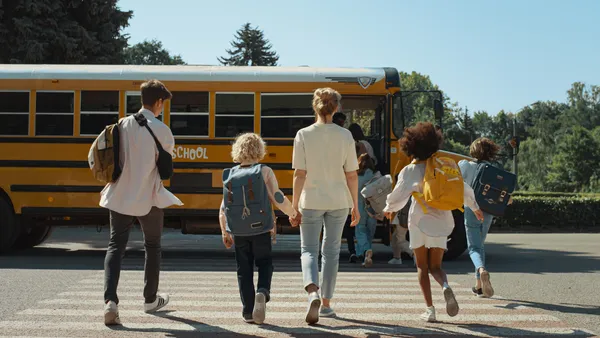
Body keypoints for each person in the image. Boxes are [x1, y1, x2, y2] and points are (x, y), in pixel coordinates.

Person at [383, 122, 483, 323]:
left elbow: (398, 196)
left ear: (410, 146)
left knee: (421, 267)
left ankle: (430, 310)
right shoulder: (443, 165)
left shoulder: (410, 170)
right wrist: (475, 208)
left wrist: (388, 209)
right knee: (436, 267)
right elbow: (462, 189)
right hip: (443, 221)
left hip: (419, 220)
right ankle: (445, 286)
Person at [101, 79, 183, 325]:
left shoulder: (121, 125)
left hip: (120, 195)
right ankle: (150, 299)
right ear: (158, 102)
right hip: (149, 197)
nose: (162, 109)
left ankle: (110, 303)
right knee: (152, 246)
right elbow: (166, 168)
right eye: (162, 105)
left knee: (116, 246)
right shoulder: (162, 130)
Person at [291, 87, 360, 324]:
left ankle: (313, 293)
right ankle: (327, 304)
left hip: (310, 200)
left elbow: (299, 173)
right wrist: (355, 206)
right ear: (336, 107)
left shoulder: (303, 134)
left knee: (308, 249)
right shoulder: (345, 136)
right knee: (331, 252)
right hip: (339, 200)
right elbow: (351, 174)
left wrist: (293, 206)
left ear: (315, 105)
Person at [219, 133, 297, 324]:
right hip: (261, 228)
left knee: (243, 270)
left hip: (238, 230)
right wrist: (293, 213)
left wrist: (224, 231)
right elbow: (277, 197)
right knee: (264, 263)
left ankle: (247, 311)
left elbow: (223, 208)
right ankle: (262, 291)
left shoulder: (230, 174)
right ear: (259, 150)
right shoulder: (264, 171)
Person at [458, 137, 509, 298]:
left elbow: (458, 185)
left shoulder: (464, 165)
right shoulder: (494, 170)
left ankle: (481, 270)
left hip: (471, 209)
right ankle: (479, 285)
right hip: (488, 210)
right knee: (480, 245)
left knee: (473, 247)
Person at [355, 153, 378, 267]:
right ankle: (364, 254)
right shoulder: (376, 177)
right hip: (373, 209)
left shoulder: (357, 177)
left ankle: (366, 251)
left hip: (360, 207)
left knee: (360, 231)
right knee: (369, 232)